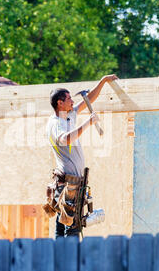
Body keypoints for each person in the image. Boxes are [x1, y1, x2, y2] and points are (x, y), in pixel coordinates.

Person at [45, 74, 118, 237]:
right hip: (68, 185)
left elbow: (89, 98)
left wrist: (103, 81)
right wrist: (88, 123)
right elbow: (65, 139)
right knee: (72, 227)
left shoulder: (69, 115)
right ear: (60, 103)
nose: (72, 102)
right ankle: (68, 260)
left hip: (73, 183)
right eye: (69, 99)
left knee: (63, 224)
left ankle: (60, 258)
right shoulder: (55, 124)